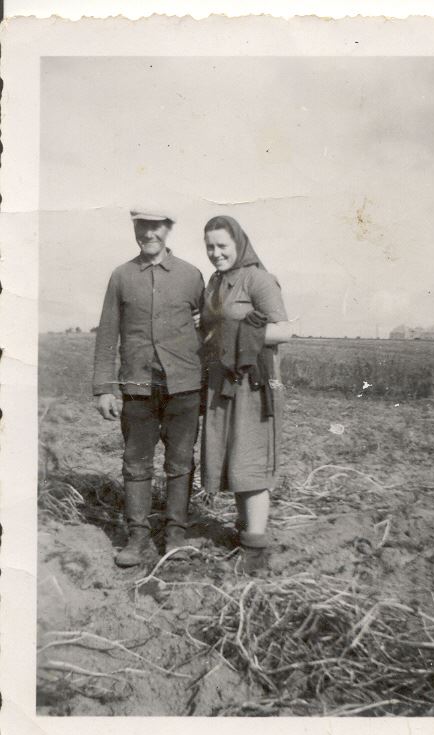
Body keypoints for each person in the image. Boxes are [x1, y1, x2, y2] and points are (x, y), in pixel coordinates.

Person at [93, 208, 204, 567]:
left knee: (181, 462)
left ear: (167, 229)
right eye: (142, 226)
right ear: (135, 229)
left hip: (184, 387)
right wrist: (104, 388)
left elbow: (208, 328)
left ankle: (175, 536)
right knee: (136, 463)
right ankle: (138, 538)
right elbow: (107, 333)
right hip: (138, 386)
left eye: (155, 227)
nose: (148, 234)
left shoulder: (191, 276)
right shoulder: (121, 276)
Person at [200, 215, 292, 570]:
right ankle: (244, 534)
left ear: (239, 244)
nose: (216, 253)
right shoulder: (215, 281)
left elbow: (283, 330)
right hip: (223, 383)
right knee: (234, 459)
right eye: (210, 246)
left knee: (250, 460)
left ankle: (254, 552)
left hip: (254, 386)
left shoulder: (258, 279)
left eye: (222, 246)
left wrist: (235, 335)